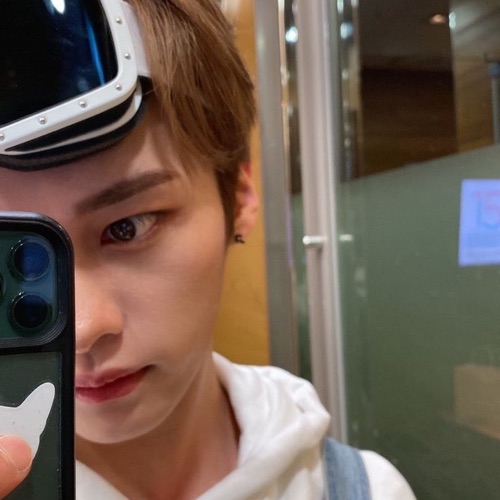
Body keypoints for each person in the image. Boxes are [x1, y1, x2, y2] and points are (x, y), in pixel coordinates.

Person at [0, 0, 416, 498]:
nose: (84, 329)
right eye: (12, 254)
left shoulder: (366, 490)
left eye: (128, 228)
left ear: (238, 197)